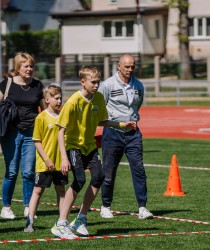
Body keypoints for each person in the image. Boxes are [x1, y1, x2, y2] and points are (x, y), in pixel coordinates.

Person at [51, 66, 136, 239]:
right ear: (83, 82)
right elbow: (60, 130)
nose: (97, 85)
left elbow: (103, 121)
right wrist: (64, 158)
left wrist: (121, 124)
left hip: (89, 145)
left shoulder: (98, 98)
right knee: (80, 179)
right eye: (94, 82)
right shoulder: (74, 101)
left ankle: (81, 218)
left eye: (98, 82)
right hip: (73, 145)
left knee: (99, 177)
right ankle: (61, 223)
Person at [0, 52, 45, 219]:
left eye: (31, 66)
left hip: (31, 132)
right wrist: (4, 108)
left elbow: (43, 110)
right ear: (18, 67)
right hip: (10, 133)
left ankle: (29, 207)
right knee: (12, 171)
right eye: (25, 66)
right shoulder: (7, 83)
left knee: (28, 172)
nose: (29, 69)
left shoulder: (38, 85)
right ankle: (6, 207)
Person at [98, 54, 153, 219]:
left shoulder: (139, 85)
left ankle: (142, 207)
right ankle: (105, 206)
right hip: (112, 133)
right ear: (119, 66)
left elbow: (137, 106)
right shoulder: (107, 85)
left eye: (132, 66)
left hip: (133, 134)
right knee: (108, 172)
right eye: (127, 66)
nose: (130, 70)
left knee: (139, 170)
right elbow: (99, 107)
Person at [24, 84, 68, 233]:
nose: (60, 101)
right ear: (47, 100)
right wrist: (47, 159)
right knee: (38, 190)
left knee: (61, 190)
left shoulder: (63, 116)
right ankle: (29, 220)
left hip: (60, 162)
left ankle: (62, 221)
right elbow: (37, 141)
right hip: (44, 163)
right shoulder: (41, 117)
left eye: (61, 98)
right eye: (56, 98)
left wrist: (64, 159)